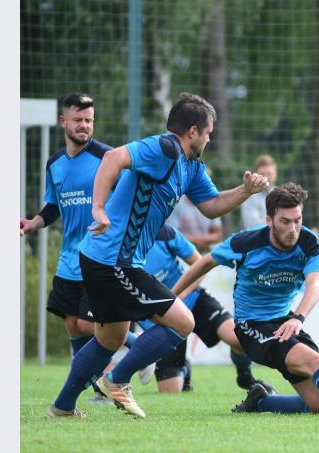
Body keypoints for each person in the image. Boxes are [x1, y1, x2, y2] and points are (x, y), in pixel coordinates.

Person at [46, 92, 269, 419]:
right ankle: (118, 380)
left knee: (110, 338)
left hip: (108, 260)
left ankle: (62, 407)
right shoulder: (164, 148)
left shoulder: (191, 166)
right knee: (183, 322)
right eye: (208, 132)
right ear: (192, 131)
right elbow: (112, 159)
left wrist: (246, 191)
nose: (209, 139)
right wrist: (97, 206)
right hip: (113, 260)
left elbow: (211, 207)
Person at [171, 183, 319, 417]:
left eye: (297, 220)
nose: (293, 228)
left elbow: (315, 286)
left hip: (286, 322)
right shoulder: (246, 242)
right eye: (285, 222)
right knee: (313, 361)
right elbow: (205, 263)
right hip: (252, 326)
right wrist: (173, 297)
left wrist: (298, 317)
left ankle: (261, 402)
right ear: (270, 220)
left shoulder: (311, 244)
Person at [20, 93, 140, 402]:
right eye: (78, 120)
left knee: (90, 322)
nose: (85, 126)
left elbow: (129, 197)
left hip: (101, 253)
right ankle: (94, 382)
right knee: (73, 324)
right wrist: (33, 223)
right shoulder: (55, 164)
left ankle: (138, 345)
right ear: (64, 122)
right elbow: (53, 206)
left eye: (89, 120)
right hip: (68, 257)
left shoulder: (109, 157)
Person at [139, 223, 276, 394]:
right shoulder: (118, 247)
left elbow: (200, 264)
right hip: (162, 317)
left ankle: (246, 378)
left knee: (237, 338)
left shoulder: (165, 232)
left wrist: (181, 295)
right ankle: (184, 369)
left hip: (193, 299)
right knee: (170, 391)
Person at [167, 167, 224, 253]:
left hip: (206, 251)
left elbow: (218, 235)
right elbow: (171, 234)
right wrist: (197, 242)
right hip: (182, 253)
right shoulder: (176, 202)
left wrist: (200, 241)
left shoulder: (211, 200)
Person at [240, 154, 278, 229]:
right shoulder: (249, 196)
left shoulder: (282, 194)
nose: (266, 178)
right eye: (262, 174)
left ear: (275, 174)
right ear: (256, 175)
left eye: (269, 174)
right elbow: (253, 227)